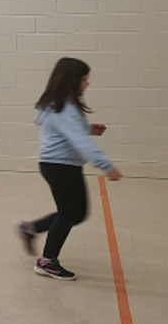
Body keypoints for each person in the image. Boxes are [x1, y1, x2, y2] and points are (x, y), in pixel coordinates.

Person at [18, 57, 122, 281]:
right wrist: (106, 165)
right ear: (70, 81)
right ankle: (47, 261)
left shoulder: (62, 105)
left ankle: (30, 228)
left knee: (78, 213)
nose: (87, 84)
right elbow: (80, 141)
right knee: (68, 214)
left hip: (65, 166)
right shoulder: (64, 108)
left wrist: (89, 128)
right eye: (84, 79)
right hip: (59, 167)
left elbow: (68, 129)